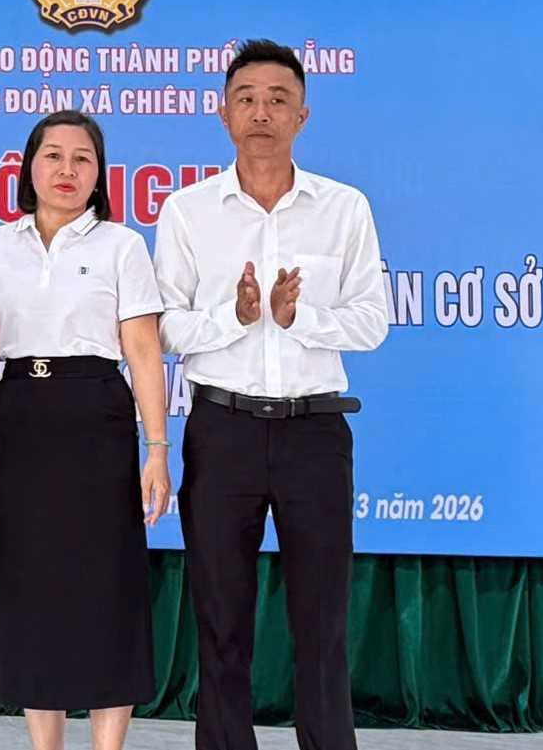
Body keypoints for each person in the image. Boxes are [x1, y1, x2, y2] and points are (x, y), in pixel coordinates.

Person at [153, 39, 388, 750]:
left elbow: (373, 320)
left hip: (315, 434)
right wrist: (238, 315)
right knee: (220, 620)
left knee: (322, 624)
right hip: (221, 431)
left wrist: (298, 318)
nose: (262, 112)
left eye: (278, 99)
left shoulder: (343, 208)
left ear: (303, 115)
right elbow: (166, 324)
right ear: (221, 112)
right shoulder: (189, 211)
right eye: (247, 98)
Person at [0, 110, 168, 750]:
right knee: (30, 587)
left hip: (98, 415)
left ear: (100, 173)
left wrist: (156, 449)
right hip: (20, 419)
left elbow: (142, 350)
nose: (67, 170)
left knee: (109, 584)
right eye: (53, 156)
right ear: (28, 166)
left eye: (82, 158)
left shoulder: (122, 245)